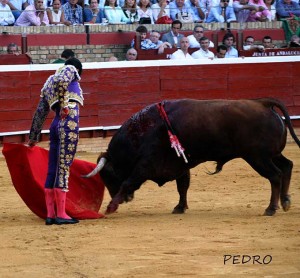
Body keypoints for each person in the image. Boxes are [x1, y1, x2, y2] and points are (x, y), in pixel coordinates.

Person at [28, 58, 83, 225]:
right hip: (68, 122)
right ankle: (61, 214)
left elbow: (40, 112)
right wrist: (65, 105)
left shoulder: (47, 85)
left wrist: (33, 137)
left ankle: (50, 215)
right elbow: (61, 79)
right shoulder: (70, 69)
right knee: (63, 167)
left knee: (52, 169)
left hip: (55, 124)